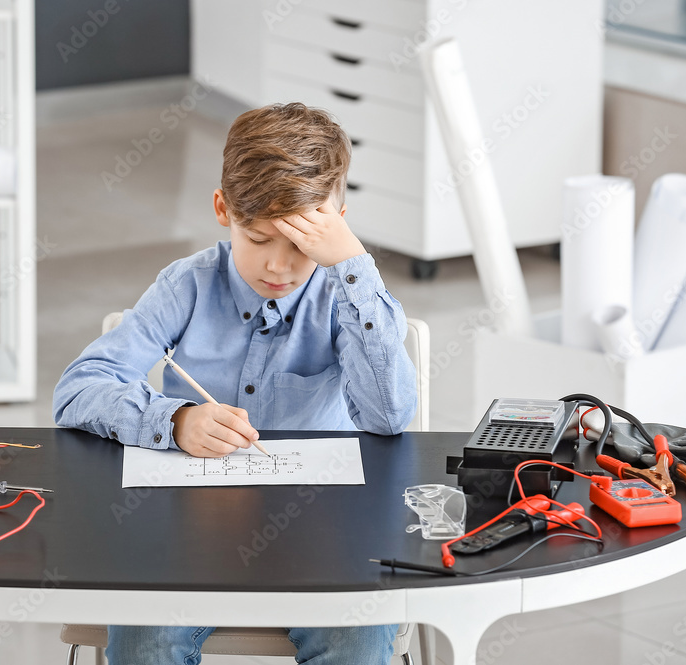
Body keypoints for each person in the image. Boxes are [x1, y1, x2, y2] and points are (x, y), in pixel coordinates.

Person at [54, 102, 417, 664]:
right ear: (224, 210)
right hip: (191, 532)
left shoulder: (346, 296)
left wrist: (352, 266)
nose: (279, 266)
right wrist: (173, 420)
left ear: (337, 219)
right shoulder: (189, 285)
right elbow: (79, 388)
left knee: (355, 638)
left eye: (301, 244)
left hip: (322, 532)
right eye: (258, 238)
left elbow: (388, 417)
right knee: (146, 639)